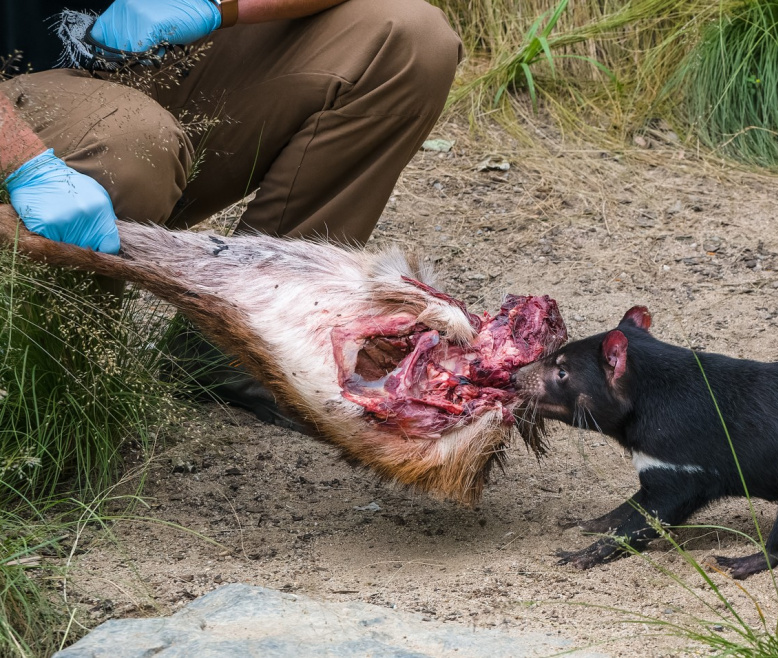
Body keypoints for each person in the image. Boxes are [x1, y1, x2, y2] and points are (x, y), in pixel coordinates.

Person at [0, 0, 463, 428]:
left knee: (408, 40)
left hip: (137, 58)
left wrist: (218, 5)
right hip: (18, 102)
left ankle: (235, 351)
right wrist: (26, 164)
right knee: (130, 142)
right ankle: (51, 402)